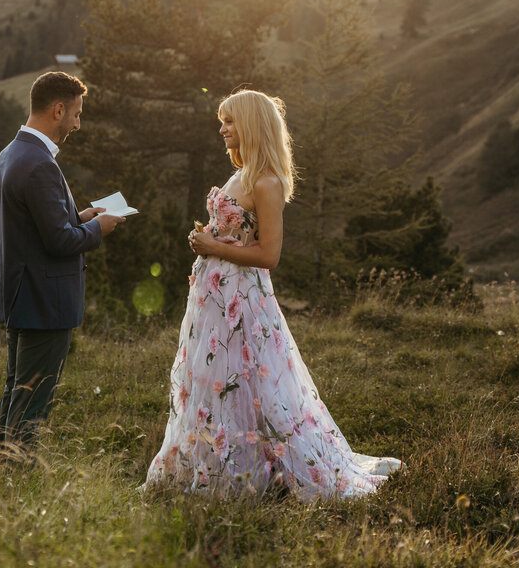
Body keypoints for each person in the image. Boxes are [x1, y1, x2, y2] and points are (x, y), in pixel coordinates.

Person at [144, 89, 400, 498]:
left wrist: (212, 247)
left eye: (230, 121)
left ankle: (254, 470)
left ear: (251, 125)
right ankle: (213, 464)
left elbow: (269, 254)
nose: (222, 129)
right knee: (215, 379)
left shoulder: (266, 182)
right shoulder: (239, 174)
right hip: (214, 300)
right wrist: (208, 240)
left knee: (249, 378)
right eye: (221, 121)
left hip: (243, 300)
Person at [0, 71, 123, 457]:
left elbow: (37, 228)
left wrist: (81, 216)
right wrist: (99, 228)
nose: (78, 125)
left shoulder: (10, 154)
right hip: (43, 303)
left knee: (17, 389)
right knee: (32, 401)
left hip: (20, 297)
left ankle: (6, 467)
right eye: (77, 115)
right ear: (58, 109)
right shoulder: (39, 164)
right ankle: (19, 474)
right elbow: (59, 241)